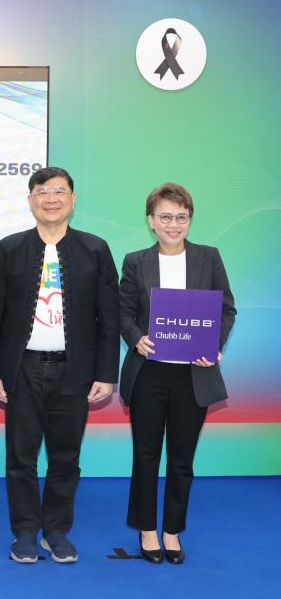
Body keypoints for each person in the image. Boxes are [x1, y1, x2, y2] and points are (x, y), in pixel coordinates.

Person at [0, 166, 119, 564]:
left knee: (66, 457)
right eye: (42, 191)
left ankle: (56, 531)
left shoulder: (95, 249)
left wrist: (105, 374)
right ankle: (25, 531)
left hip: (74, 371)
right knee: (20, 458)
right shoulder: (9, 249)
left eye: (59, 191)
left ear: (72, 200)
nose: (51, 198)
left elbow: (109, 318)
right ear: (30, 201)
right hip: (21, 369)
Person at [118, 183, 236, 565]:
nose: (173, 224)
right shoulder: (136, 261)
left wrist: (213, 344)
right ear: (151, 221)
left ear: (190, 219)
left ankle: (172, 530)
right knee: (146, 455)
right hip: (149, 375)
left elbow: (226, 309)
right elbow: (123, 312)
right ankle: (147, 529)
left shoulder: (208, 257)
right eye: (165, 216)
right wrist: (136, 338)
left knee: (182, 459)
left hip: (193, 377)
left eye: (181, 217)